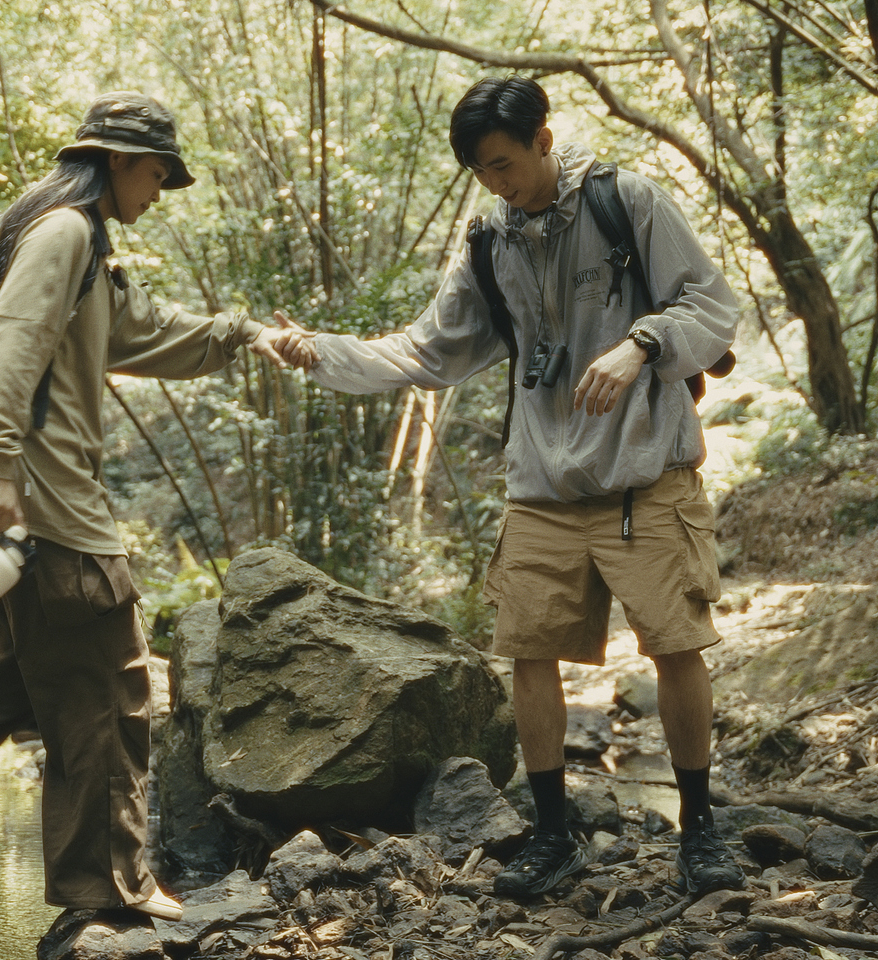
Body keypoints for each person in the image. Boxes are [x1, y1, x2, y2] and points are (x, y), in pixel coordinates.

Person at [0, 92, 311, 922]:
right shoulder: (64, 232)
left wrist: (243, 334)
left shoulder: (72, 238)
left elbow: (142, 332)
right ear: (118, 161)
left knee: (25, 680)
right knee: (109, 694)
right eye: (157, 173)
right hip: (44, 505)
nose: (158, 192)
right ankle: (107, 886)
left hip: (17, 507)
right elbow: (13, 338)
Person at [275, 76, 744, 898]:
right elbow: (428, 352)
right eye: (481, 171)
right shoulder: (490, 240)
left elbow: (711, 305)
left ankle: (699, 829)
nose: (497, 183)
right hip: (542, 483)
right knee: (528, 651)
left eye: (504, 163)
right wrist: (322, 350)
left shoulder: (627, 201)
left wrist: (642, 343)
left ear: (543, 137)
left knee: (674, 646)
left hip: (646, 476)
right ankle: (553, 832)